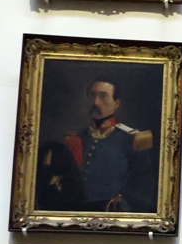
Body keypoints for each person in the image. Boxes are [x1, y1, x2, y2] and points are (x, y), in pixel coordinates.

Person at [43, 77, 156, 212]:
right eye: (92, 95)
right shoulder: (75, 139)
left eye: (103, 96)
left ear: (116, 103)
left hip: (112, 212)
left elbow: (143, 186)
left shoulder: (134, 139)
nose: (96, 102)